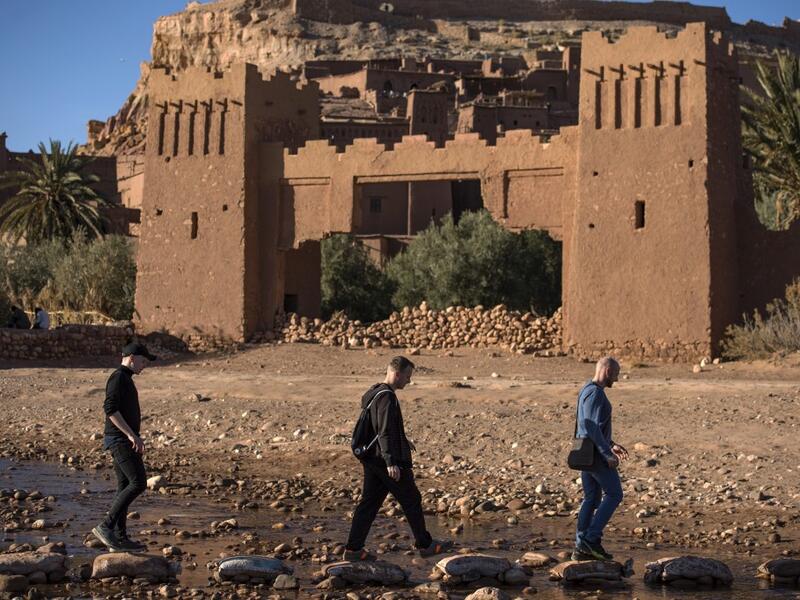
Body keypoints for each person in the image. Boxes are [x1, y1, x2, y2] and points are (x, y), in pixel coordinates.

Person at [344, 356, 452, 560]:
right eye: (408, 376)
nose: (409, 381)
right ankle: (426, 545)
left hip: (373, 457)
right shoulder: (387, 397)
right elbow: (383, 430)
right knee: (411, 499)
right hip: (384, 460)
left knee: (369, 503)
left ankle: (353, 550)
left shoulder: (375, 392)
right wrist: (391, 462)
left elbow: (382, 428)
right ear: (397, 374)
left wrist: (403, 439)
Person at [92, 342, 157, 552]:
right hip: (120, 440)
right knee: (138, 483)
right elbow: (110, 409)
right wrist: (131, 435)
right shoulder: (119, 377)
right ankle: (106, 526)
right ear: (131, 357)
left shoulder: (125, 378)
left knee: (124, 486)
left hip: (123, 439)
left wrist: (133, 435)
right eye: (143, 360)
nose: (145, 365)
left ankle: (120, 537)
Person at [573, 357, 629, 561]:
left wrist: (611, 443)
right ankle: (592, 539)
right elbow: (589, 425)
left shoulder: (587, 390)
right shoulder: (595, 393)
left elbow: (592, 425)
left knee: (592, 498)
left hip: (586, 452)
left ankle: (581, 546)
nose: (617, 378)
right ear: (606, 371)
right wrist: (607, 453)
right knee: (614, 494)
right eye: (616, 373)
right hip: (595, 454)